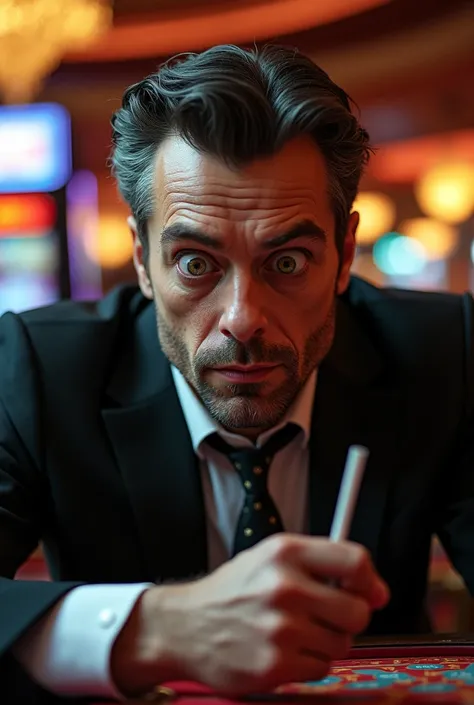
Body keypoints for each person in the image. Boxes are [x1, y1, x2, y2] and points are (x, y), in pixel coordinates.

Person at [0, 43, 473, 705]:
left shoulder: (444, 352)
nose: (241, 319)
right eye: (196, 262)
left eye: (287, 262)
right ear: (142, 260)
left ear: (342, 256)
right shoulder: (39, 369)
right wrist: (157, 625)